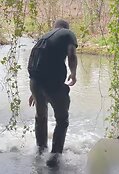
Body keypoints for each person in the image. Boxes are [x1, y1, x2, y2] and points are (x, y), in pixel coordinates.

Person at [27, 19, 78, 168]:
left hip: (35, 82)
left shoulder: (43, 38)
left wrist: (34, 92)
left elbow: (37, 62)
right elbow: (72, 54)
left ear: (54, 27)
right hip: (52, 84)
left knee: (40, 116)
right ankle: (54, 157)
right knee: (62, 120)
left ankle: (40, 150)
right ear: (66, 28)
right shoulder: (68, 34)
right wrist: (73, 73)